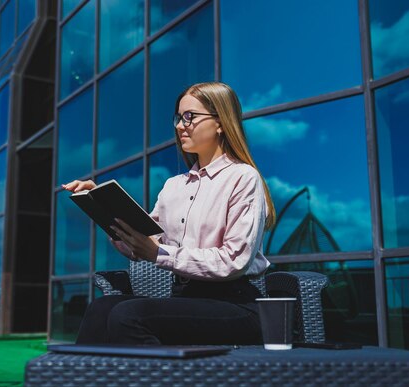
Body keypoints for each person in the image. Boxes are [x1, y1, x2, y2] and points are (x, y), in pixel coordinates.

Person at [62, 81, 276, 345]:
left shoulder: (243, 178)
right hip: (187, 299)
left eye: (190, 117)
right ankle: (83, 386)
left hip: (237, 305)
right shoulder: (173, 187)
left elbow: (233, 261)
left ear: (220, 122)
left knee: (128, 315)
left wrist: (158, 253)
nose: (179, 126)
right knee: (101, 309)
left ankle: (163, 385)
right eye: (178, 118)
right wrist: (105, 209)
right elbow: (144, 244)